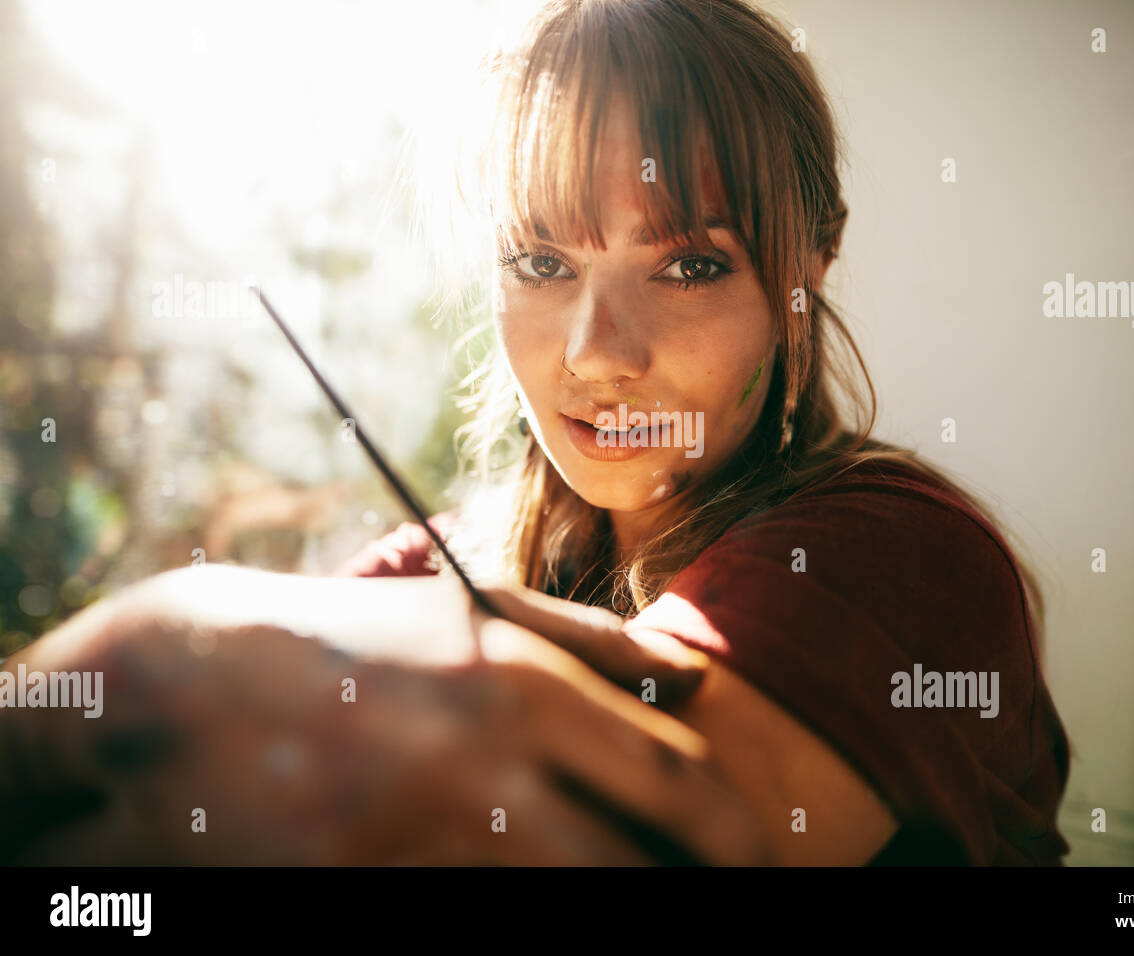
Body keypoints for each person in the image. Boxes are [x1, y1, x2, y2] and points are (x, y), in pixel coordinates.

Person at [0, 0, 1071, 866]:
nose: (597, 351)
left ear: (809, 266)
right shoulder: (433, 565)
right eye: (541, 262)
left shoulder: (903, 558)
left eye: (691, 264)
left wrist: (148, 672)